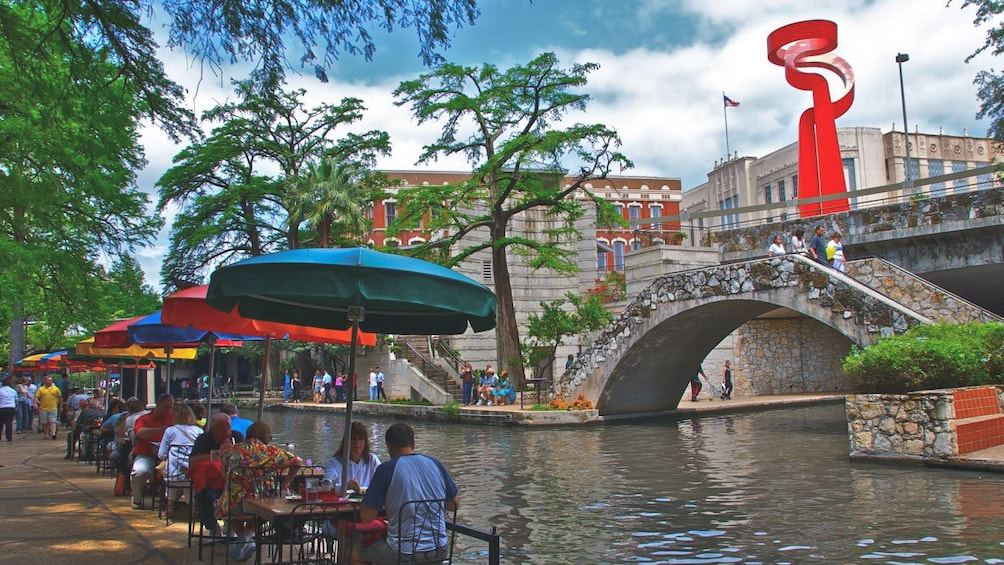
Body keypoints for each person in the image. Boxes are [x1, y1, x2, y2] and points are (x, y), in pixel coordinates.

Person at [356, 422, 459, 565]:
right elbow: (453, 504)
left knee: (355, 551)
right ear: (413, 443)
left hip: (403, 553)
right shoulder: (435, 464)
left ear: (389, 446)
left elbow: (366, 517)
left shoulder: (386, 469)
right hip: (439, 549)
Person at [219, 421, 302, 562]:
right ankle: (247, 537)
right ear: (266, 436)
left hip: (232, 504)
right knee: (265, 503)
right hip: (259, 502)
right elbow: (298, 461)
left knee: (229, 506)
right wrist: (285, 483)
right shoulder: (269, 451)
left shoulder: (232, 450)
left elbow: (223, 474)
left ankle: (245, 540)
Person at [189, 413, 244, 538]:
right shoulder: (204, 439)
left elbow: (244, 457)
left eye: (229, 429)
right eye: (223, 430)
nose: (227, 432)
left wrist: (233, 451)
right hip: (210, 481)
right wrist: (218, 454)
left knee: (240, 496)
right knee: (202, 496)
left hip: (233, 481)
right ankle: (212, 527)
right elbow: (193, 460)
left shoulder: (237, 436)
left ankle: (232, 524)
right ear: (213, 430)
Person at [158, 404, 204, 518]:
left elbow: (161, 454)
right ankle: (193, 510)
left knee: (171, 481)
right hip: (191, 474)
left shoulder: (170, 431)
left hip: (172, 474)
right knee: (190, 485)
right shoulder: (199, 431)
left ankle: (170, 508)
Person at [131, 393, 175, 509]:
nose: (169, 410)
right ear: (158, 405)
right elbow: (139, 433)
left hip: (169, 456)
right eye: (167, 407)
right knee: (139, 472)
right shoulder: (144, 419)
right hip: (147, 454)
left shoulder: (173, 417)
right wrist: (161, 429)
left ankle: (170, 501)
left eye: (171, 407)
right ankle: (137, 499)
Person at [324, 421, 381, 494]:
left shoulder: (372, 460)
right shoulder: (335, 462)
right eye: (353, 439)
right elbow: (326, 486)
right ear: (347, 441)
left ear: (365, 442)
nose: (357, 443)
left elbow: (383, 481)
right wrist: (345, 486)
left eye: (360, 439)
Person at [35, 375, 63, 440]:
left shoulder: (56, 389)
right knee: (45, 422)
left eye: (50, 380)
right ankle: (46, 434)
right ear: (45, 381)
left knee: (52, 421)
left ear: (52, 381)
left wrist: (61, 406)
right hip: (43, 408)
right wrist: (35, 404)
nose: (48, 382)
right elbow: (36, 397)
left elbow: (60, 398)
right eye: (47, 380)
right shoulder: (40, 389)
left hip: (53, 407)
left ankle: (53, 433)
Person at [0, 376, 17, 442]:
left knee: (0, 423)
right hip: (11, 407)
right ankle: (9, 437)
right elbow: (16, 399)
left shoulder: (0, 391)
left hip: (1, 407)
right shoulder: (13, 391)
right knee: (9, 423)